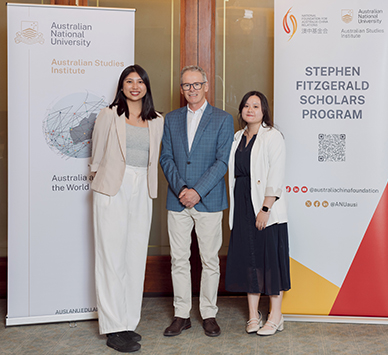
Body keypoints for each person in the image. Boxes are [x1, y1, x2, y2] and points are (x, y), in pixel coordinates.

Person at [90, 64, 164, 352]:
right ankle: (112, 327)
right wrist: (99, 181)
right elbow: (96, 155)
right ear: (121, 87)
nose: (135, 86)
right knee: (110, 257)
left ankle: (128, 322)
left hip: (142, 188)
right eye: (129, 81)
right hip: (112, 188)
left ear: (146, 86)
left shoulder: (156, 119)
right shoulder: (110, 114)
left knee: (134, 257)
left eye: (140, 81)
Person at [160, 65, 234, 337]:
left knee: (209, 260)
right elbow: (165, 158)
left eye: (196, 84)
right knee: (179, 259)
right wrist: (182, 189)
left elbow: (222, 161)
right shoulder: (171, 119)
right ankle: (182, 314)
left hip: (209, 200)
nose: (192, 89)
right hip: (177, 199)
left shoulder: (223, 119)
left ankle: (209, 314)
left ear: (206, 86)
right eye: (186, 85)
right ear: (181, 90)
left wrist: (197, 191)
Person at [225, 91, 290, 336]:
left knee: (270, 259)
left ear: (264, 111)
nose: (250, 109)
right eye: (246, 105)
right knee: (249, 259)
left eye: (256, 106)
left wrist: (265, 208)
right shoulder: (236, 138)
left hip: (265, 206)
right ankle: (253, 315)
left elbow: (276, 173)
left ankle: (276, 315)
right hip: (242, 203)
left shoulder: (272, 136)